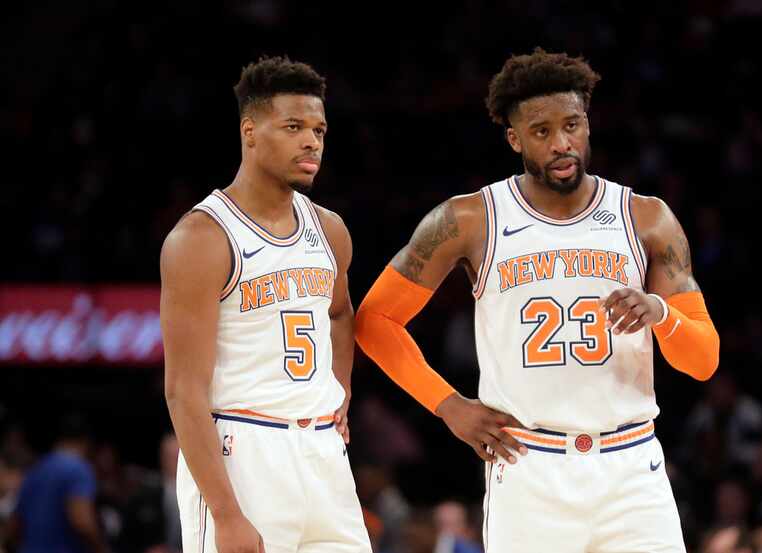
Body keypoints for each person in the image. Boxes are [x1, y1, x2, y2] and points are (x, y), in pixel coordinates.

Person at [355, 49, 719, 552]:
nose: (561, 143)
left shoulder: (646, 218)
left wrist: (661, 314)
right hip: (529, 468)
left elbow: (703, 361)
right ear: (515, 138)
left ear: (588, 124)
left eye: (571, 125)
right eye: (542, 131)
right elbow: (375, 320)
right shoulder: (468, 219)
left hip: (632, 468)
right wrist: (449, 406)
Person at [161, 55, 370, 553]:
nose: (311, 142)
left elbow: (340, 313)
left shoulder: (330, 228)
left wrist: (340, 390)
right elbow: (183, 391)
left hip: (323, 454)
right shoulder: (201, 237)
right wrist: (227, 514)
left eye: (319, 130)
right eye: (293, 126)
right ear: (249, 131)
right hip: (243, 452)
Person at [11, 413, 107, 553]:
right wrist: (100, 548)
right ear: (86, 442)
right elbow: (81, 521)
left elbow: (15, 524)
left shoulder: (36, 468)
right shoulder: (78, 469)